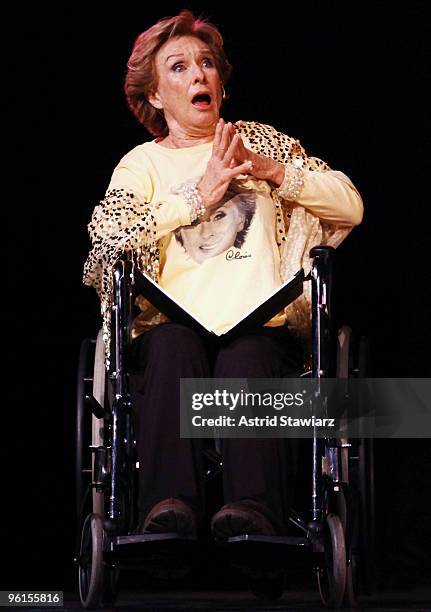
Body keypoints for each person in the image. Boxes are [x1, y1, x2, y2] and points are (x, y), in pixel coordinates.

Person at [83, 10, 363, 541]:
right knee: (170, 347)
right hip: (174, 327)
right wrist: (196, 197)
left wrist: (274, 171)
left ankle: (253, 516)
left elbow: (349, 207)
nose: (199, 75)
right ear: (157, 95)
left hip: (260, 324)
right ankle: (169, 509)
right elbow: (109, 237)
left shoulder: (259, 144)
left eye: (207, 63)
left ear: (221, 84)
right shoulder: (141, 164)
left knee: (248, 354)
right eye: (179, 66)